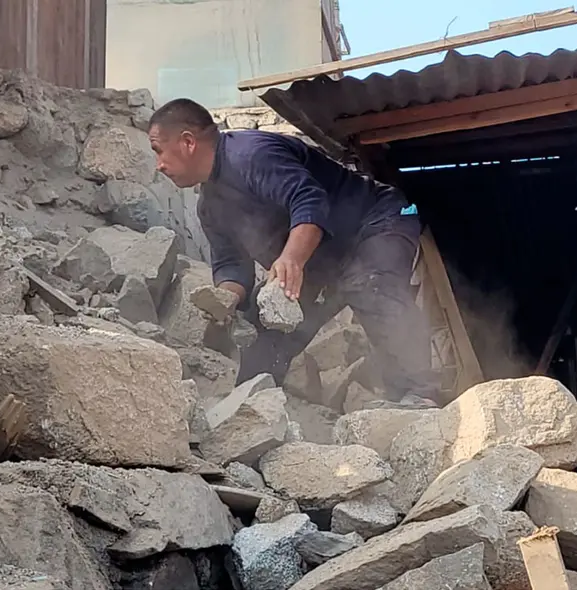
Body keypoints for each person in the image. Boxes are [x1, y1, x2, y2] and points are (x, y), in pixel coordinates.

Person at [147, 98, 439, 408]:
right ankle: (255, 412)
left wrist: (290, 259)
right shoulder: (209, 207)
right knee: (264, 325)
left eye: (158, 151)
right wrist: (226, 299)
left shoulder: (250, 156)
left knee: (370, 282)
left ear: (188, 142)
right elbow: (232, 264)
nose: (159, 165)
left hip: (379, 220)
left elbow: (309, 200)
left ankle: (418, 397)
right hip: (320, 259)